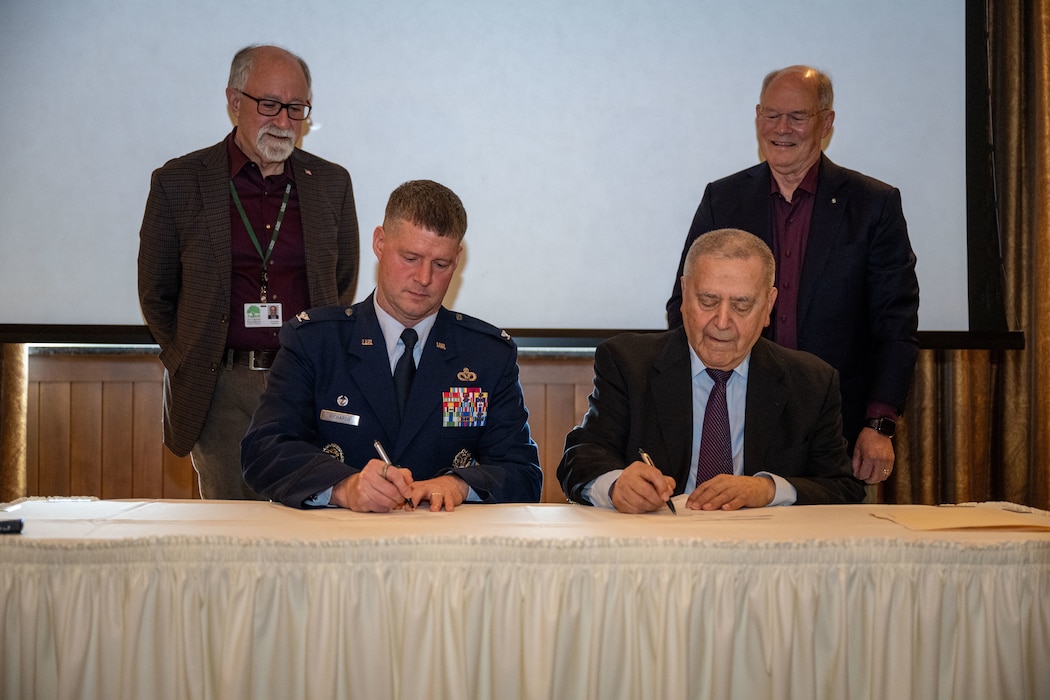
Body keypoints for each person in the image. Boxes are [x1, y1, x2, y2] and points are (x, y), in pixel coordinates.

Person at [665, 66, 919, 487]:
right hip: (732, 414)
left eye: (797, 117)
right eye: (771, 115)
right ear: (757, 117)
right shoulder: (723, 198)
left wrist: (880, 425)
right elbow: (684, 304)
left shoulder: (874, 205)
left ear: (826, 122)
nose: (782, 129)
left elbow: (895, 326)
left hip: (835, 424)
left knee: (826, 546)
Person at [138, 45, 359, 500]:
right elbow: (156, 294)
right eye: (270, 105)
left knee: (308, 521)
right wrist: (196, 356)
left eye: (296, 108)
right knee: (228, 534)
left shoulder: (332, 184)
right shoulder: (178, 182)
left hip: (305, 384)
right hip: (219, 388)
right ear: (234, 101)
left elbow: (341, 282)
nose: (283, 121)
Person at [241, 180, 543, 511]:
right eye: (411, 258)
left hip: (448, 549)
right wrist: (344, 486)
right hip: (336, 546)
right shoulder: (316, 342)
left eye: (440, 264)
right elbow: (264, 450)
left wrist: (459, 484)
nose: (424, 278)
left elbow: (523, 473)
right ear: (380, 243)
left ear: (457, 259)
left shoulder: (486, 355)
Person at [560, 228, 865, 513]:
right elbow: (582, 457)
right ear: (684, 294)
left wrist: (769, 490)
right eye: (708, 301)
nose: (721, 322)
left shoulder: (811, 382)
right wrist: (615, 485)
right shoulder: (628, 363)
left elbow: (843, 489)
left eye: (742, 306)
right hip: (659, 551)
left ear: (769, 305)